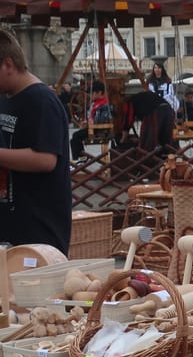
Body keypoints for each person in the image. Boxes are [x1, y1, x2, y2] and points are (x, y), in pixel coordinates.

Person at [0, 30, 70, 253]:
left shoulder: (41, 101)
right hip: (12, 226)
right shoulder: (6, 98)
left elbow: (45, 160)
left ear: (8, 65)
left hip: (40, 230)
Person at [70, 80, 111, 161]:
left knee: (76, 136)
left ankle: (80, 159)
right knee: (74, 139)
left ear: (99, 93)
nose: (91, 95)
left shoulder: (104, 105)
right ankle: (81, 158)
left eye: (93, 93)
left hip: (100, 130)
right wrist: (87, 123)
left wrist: (92, 123)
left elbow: (103, 120)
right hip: (94, 128)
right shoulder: (95, 103)